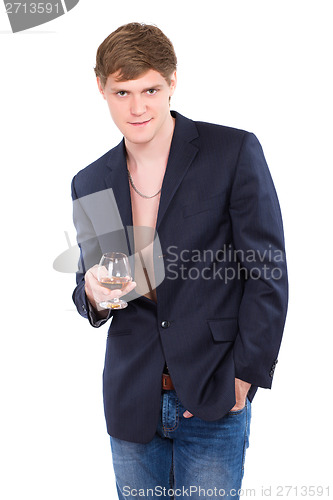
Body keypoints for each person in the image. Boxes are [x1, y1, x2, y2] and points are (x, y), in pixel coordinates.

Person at [71, 22, 288, 500]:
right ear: (102, 90)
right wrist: (92, 291)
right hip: (132, 400)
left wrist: (247, 374)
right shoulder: (90, 181)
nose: (137, 107)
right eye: (122, 91)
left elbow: (267, 271)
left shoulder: (230, 152)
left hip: (215, 392)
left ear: (172, 82)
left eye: (150, 89)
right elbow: (103, 283)